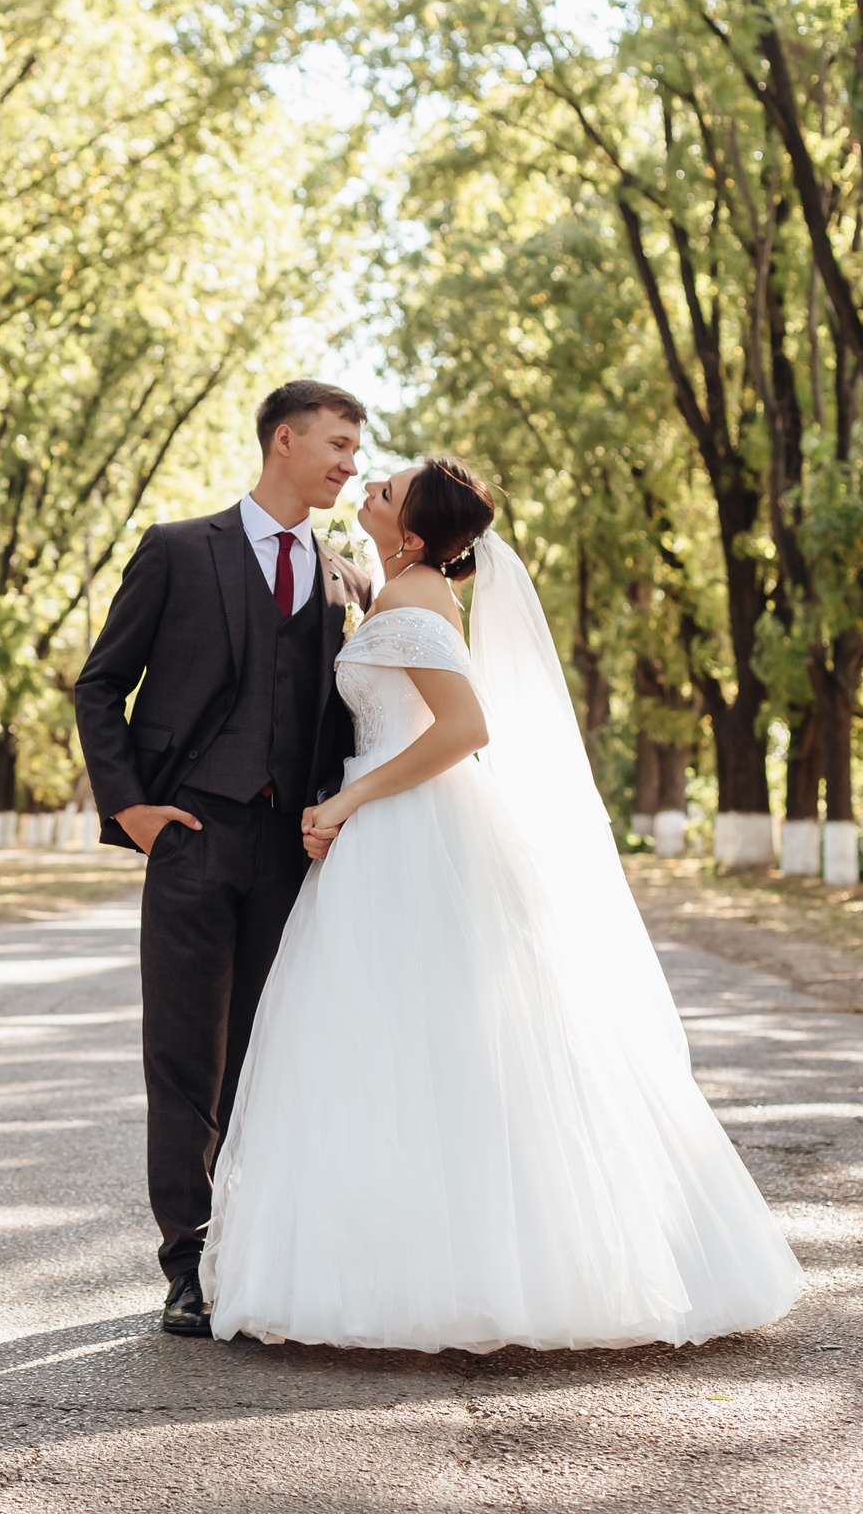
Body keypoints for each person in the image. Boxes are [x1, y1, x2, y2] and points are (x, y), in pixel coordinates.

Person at [198, 456, 801, 1351]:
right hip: (381, 826)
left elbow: (466, 729)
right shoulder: (396, 589)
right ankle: (389, 1260)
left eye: (388, 487)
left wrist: (347, 801)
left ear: (410, 532)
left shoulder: (414, 600)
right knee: (385, 1046)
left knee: (429, 1043)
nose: (370, 484)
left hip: (412, 828)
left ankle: (466, 1273)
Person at [73, 379, 377, 1336]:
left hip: (294, 855)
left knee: (271, 1055)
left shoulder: (349, 582)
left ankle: (253, 1251)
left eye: (356, 450)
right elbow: (100, 685)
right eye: (335, 443)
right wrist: (133, 811)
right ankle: (185, 1264)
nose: (348, 464)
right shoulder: (175, 551)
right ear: (281, 440)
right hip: (193, 841)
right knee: (184, 1058)